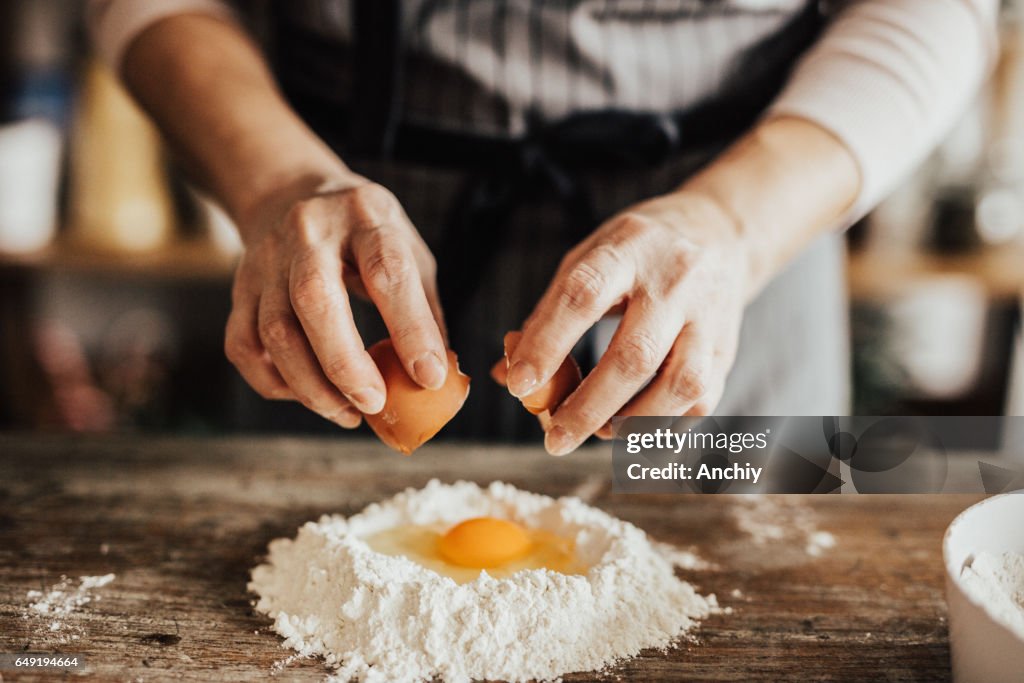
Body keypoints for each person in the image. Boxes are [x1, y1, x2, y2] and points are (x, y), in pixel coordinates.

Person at [88, 0, 997, 454]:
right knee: (323, 600)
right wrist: (278, 178)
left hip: (732, 262)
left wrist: (732, 222)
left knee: (729, 606)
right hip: (341, 269)